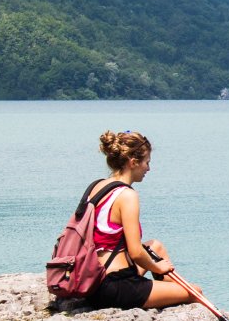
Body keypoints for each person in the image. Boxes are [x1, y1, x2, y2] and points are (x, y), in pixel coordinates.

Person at [78, 129, 204, 310]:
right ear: (133, 162)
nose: (148, 169)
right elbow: (136, 252)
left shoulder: (96, 186)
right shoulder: (127, 196)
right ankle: (218, 317)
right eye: (147, 162)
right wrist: (157, 268)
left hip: (93, 279)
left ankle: (171, 290)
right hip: (115, 286)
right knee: (195, 291)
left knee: (156, 247)